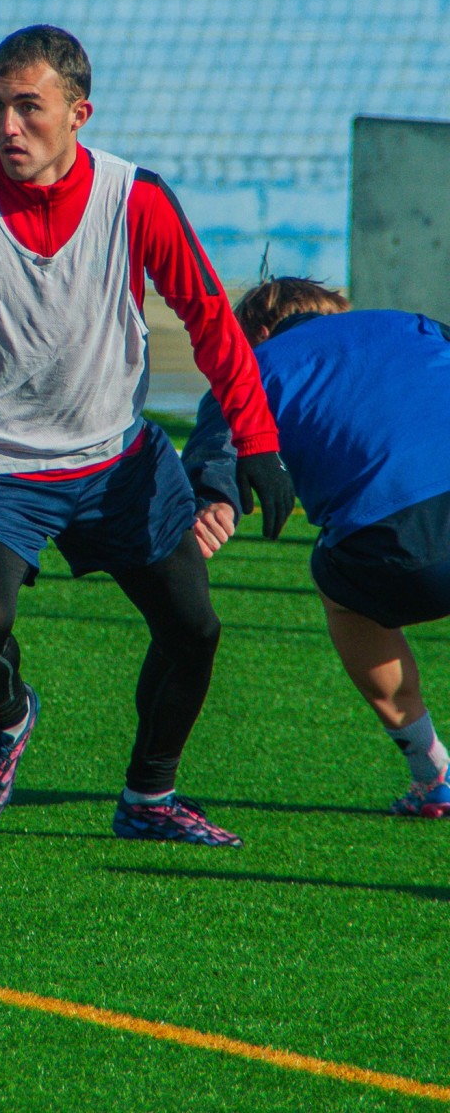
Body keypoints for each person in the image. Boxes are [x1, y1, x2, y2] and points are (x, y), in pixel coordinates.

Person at [0, 24, 293, 846]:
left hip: (115, 458)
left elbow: (212, 319)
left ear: (79, 114)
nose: (7, 126)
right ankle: (7, 719)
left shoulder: (135, 200)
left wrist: (259, 442)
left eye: (29, 108)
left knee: (194, 632)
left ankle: (149, 798)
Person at [184, 277, 450, 819]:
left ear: (258, 331)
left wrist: (215, 502)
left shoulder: (251, 368)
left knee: (339, 589)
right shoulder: (409, 322)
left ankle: (433, 773)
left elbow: (215, 458)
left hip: (397, 553)